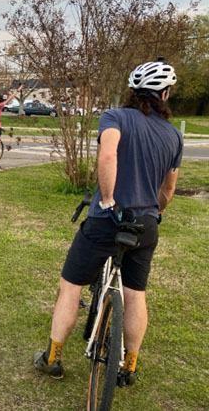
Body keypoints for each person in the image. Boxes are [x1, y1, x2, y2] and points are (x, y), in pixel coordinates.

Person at [33, 60, 182, 386]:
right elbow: (168, 189)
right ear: (165, 95)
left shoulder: (114, 117)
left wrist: (109, 200)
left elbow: (109, 154)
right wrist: (157, 212)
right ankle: (129, 366)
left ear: (133, 93)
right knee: (135, 294)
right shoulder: (174, 136)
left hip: (107, 219)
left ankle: (53, 358)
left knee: (70, 287)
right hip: (145, 224)